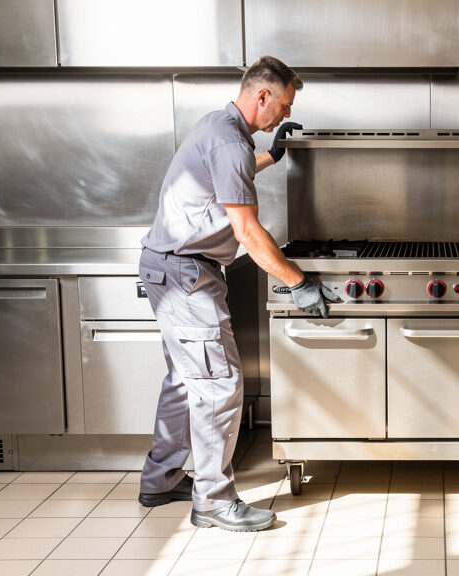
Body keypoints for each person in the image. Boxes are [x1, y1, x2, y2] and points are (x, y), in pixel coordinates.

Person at [135, 56, 339, 532]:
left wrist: (272, 154)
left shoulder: (220, 127)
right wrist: (299, 282)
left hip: (171, 267)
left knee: (186, 382)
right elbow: (246, 229)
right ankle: (212, 499)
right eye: (283, 106)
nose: (284, 115)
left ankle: (161, 478)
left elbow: (228, 174)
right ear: (262, 95)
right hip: (186, 274)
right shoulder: (228, 138)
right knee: (218, 385)